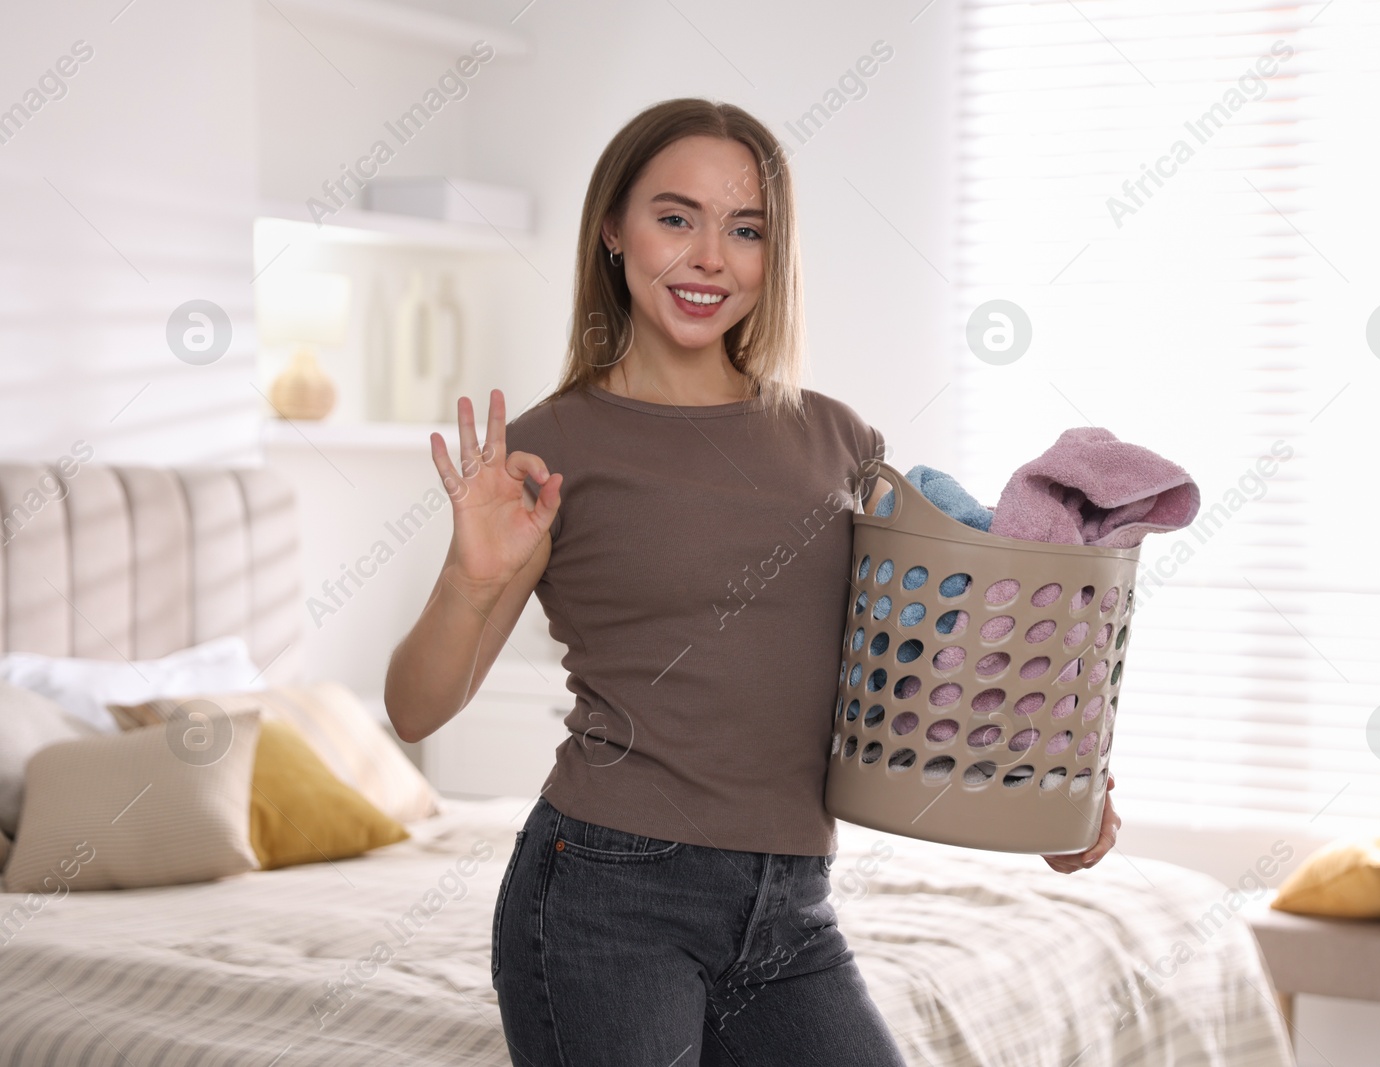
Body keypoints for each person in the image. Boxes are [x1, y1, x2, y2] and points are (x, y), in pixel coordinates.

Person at [384, 97, 1117, 1067]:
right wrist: (470, 580)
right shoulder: (552, 448)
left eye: (746, 229)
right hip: (608, 893)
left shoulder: (839, 440)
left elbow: (916, 676)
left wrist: (1042, 793)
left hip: (792, 905)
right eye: (675, 216)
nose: (709, 258)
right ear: (613, 228)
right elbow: (414, 709)